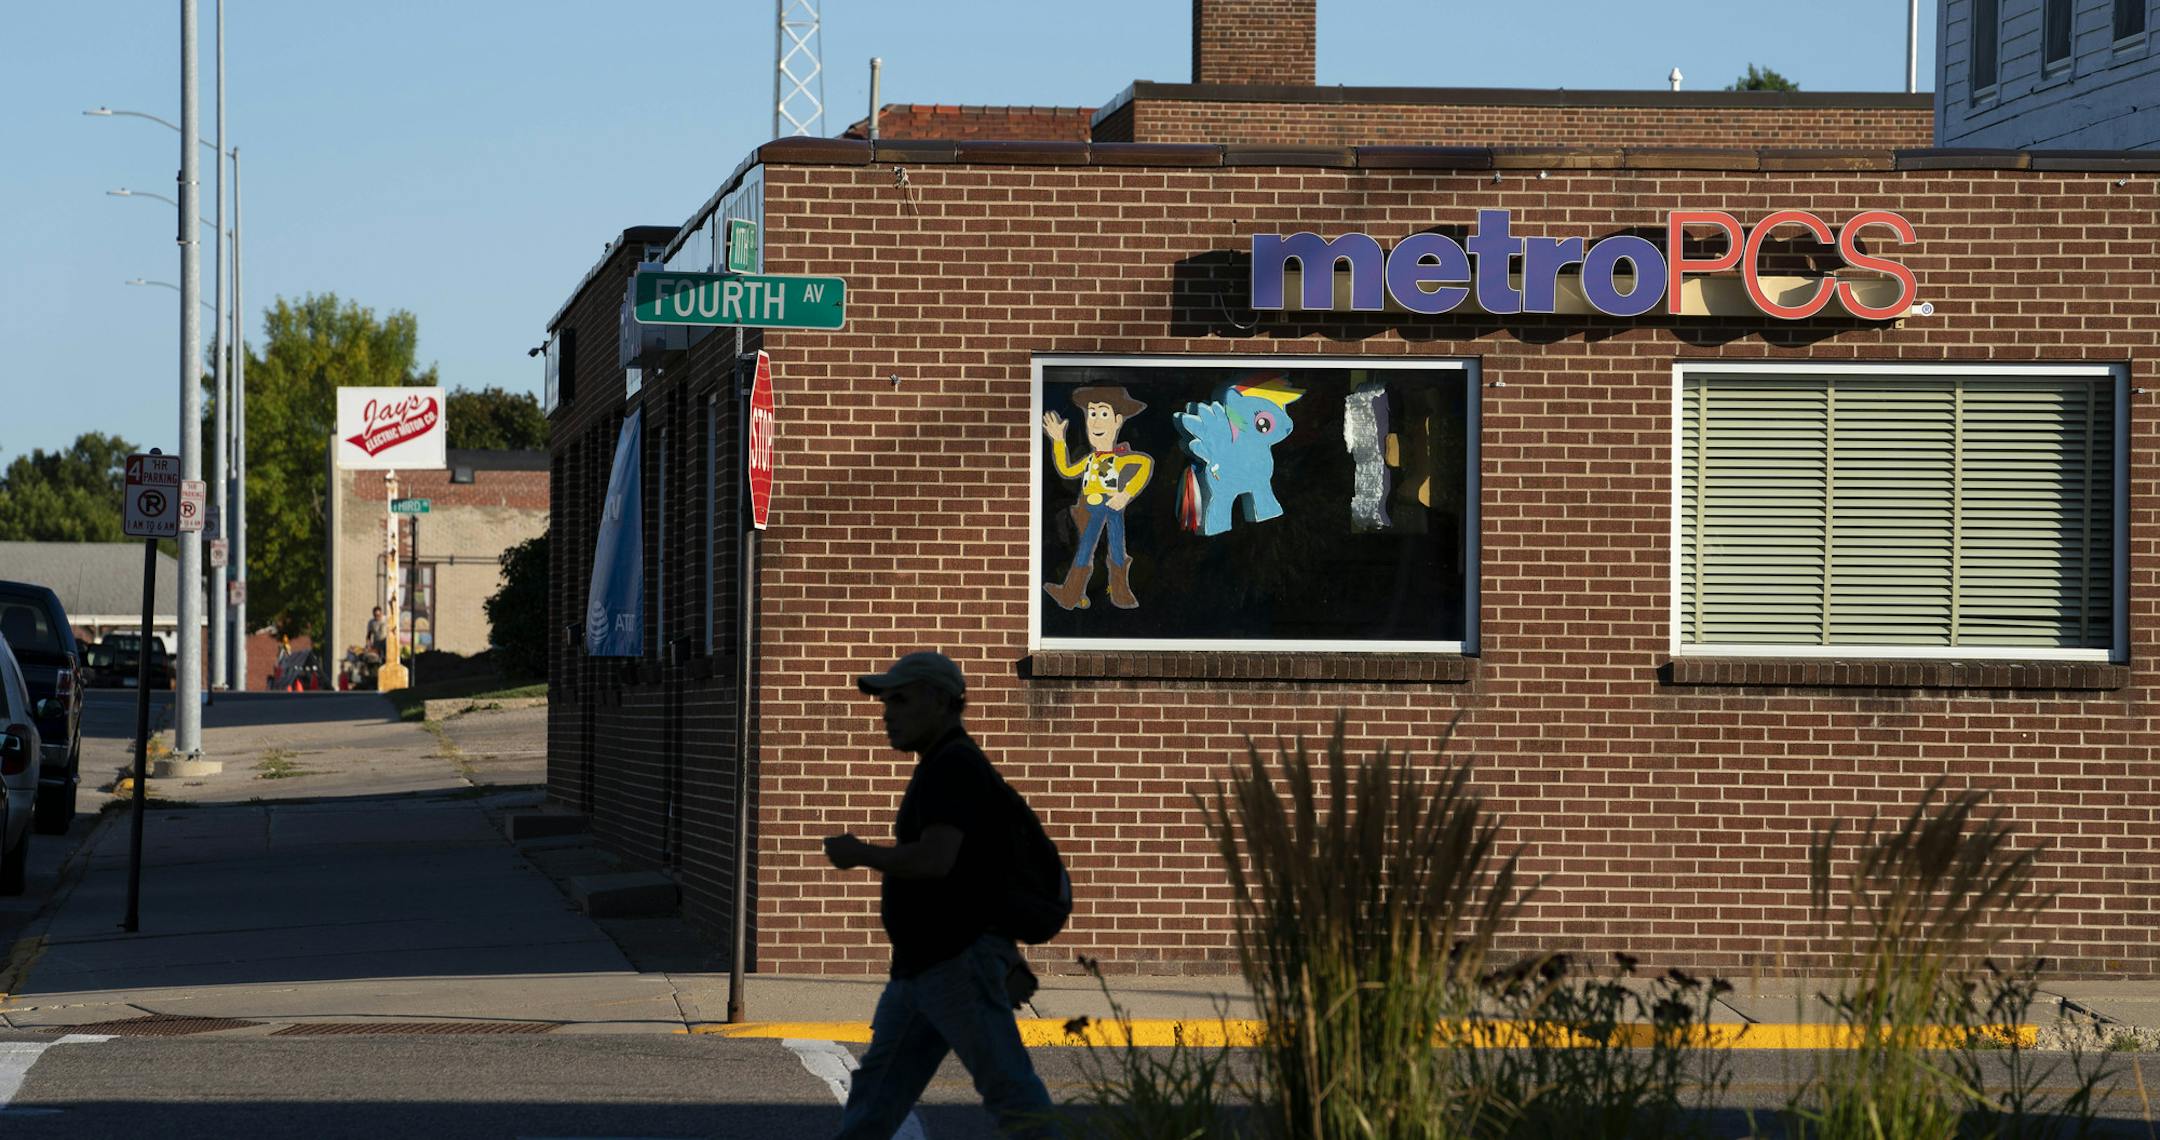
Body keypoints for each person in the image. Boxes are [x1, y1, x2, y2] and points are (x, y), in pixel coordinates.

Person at [823, 651, 1054, 1139]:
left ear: (939, 701)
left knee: (1011, 1092)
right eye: (885, 702)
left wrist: (861, 852)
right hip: (924, 966)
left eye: (900, 700)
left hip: (954, 966)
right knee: (875, 1096)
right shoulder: (944, 764)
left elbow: (937, 860)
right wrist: (1005, 955)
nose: (888, 713)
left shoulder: (954, 767)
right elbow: (976, 876)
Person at [1041, 386, 1152, 610]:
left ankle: (1119, 593)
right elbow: (1067, 469)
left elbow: (1145, 464)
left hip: (1111, 504)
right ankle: (1072, 593)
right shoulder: (1090, 459)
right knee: (1086, 548)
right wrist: (1058, 440)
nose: (1096, 421)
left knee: (1115, 547)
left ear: (1117, 421)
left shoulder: (1122, 458)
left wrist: (1125, 493)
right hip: (1090, 507)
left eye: (1103, 414)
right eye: (1092, 414)